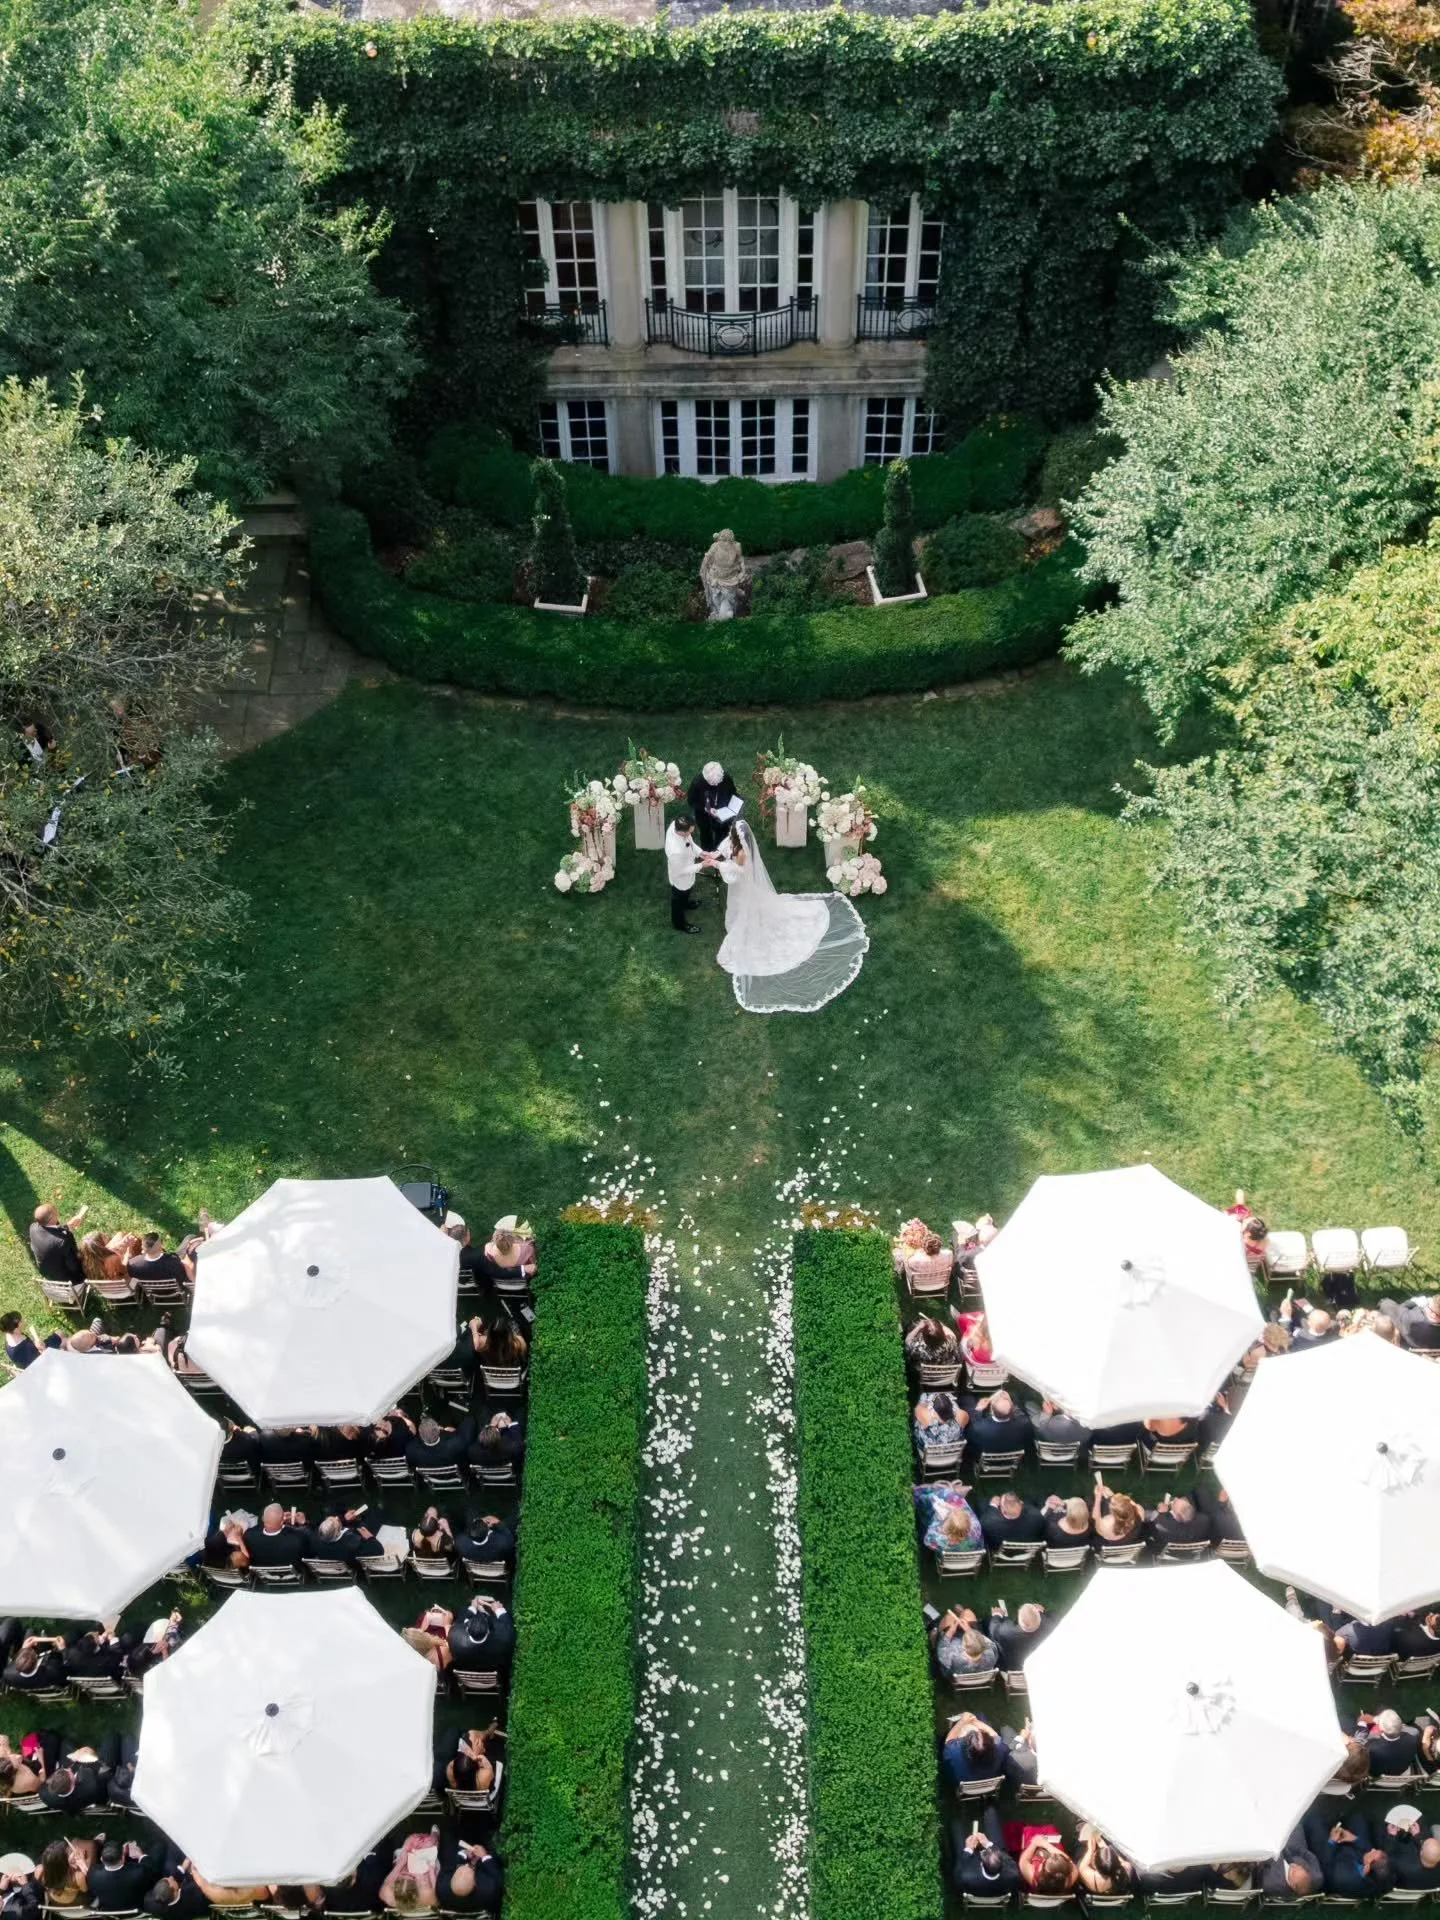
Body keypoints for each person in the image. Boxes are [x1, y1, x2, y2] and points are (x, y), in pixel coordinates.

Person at [712, 818, 867, 1013]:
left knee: (746, 910)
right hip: (740, 886)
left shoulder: (742, 853)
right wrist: (716, 855)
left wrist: (719, 866)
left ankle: (750, 927)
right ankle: (747, 923)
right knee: (742, 910)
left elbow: (737, 873)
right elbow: (725, 848)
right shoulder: (733, 843)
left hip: (743, 887)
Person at [1302, 1809, 1394, 1898]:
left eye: (1373, 1853)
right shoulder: (1380, 1874)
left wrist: (1332, 1841)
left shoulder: (1344, 1878)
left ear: (1367, 1868)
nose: (1373, 1849)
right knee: (1357, 1817)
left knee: (1314, 1820)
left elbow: (1325, 1863)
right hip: (1352, 1852)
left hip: (1329, 1857)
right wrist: (1353, 1838)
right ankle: (1342, 1816)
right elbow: (1369, 1853)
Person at [953, 1810, 1021, 1896]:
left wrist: (968, 1849)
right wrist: (988, 1844)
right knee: (992, 1815)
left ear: (981, 1863)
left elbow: (958, 1872)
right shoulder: (1012, 1875)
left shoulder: (966, 1876)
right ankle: (989, 1808)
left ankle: (955, 1818)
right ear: (1002, 1864)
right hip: (997, 1891)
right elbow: (1010, 1862)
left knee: (956, 1829)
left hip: (975, 1884)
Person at [90, 1839, 165, 1912]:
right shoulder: (138, 1872)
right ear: (123, 1858)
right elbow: (151, 1869)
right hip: (137, 1905)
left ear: (102, 1859)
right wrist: (141, 1855)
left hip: (111, 1909)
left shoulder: (93, 1874)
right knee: (158, 1848)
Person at [665, 814, 707, 936]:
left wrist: (701, 852)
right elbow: (681, 871)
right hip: (680, 877)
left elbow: (690, 842)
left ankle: (686, 903)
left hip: (687, 864)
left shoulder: (675, 825)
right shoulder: (675, 851)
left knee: (687, 892)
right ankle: (679, 924)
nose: (690, 834)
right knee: (679, 896)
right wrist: (702, 865)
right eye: (689, 832)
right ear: (681, 832)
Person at [379, 1831, 442, 1913]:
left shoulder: (386, 1894)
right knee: (429, 1844)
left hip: (407, 1869)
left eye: (403, 1876)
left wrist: (403, 1861)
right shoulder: (428, 1895)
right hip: (426, 1874)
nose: (407, 1873)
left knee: (411, 1843)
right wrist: (430, 1868)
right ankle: (435, 1836)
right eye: (410, 1877)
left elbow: (389, 1880)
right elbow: (433, 1883)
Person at [941, 1712, 1008, 1787]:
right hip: (988, 1782)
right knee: (981, 1716)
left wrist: (962, 1721)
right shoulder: (1000, 1748)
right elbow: (994, 1735)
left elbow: (948, 1741)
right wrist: (975, 1721)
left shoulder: (954, 1752)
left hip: (961, 1781)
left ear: (968, 1749)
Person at [1380, 1807, 1440, 1890]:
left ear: (1421, 1852)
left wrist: (1391, 1835)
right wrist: (1417, 1836)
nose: (1422, 1841)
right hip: (1424, 1886)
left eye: (1423, 1843)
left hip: (1404, 1884)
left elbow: (1388, 1855)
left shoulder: (1401, 1865)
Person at [686, 761, 740, 853]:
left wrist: (733, 806)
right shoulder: (697, 782)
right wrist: (706, 808)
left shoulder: (726, 778)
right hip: (703, 814)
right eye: (712, 783)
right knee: (705, 832)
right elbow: (691, 800)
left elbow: (732, 793)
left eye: (717, 782)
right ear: (705, 778)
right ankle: (707, 852)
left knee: (723, 831)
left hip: (722, 812)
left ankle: (721, 851)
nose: (715, 785)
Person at [914, 1481, 982, 1553]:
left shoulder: (936, 1539)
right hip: (968, 1556)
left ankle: (919, 1495)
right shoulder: (976, 1528)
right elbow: (965, 1511)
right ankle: (947, 1490)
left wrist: (938, 1519)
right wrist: (949, 1507)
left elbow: (927, 1540)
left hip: (948, 1552)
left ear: (947, 1527)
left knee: (942, 1495)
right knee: (949, 1494)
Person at [28, 1203, 86, 1285]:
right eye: (56, 1213)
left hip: (47, 1273)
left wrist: (67, 1226)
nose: (57, 1213)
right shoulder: (62, 1242)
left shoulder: (33, 1227)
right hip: (67, 1280)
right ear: (52, 1219)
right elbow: (74, 1265)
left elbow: (51, 1232)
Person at [436, 1841, 501, 1915]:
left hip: (458, 1908)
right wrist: (484, 1855)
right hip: (480, 1906)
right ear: (475, 1883)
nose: (467, 1864)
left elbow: (449, 1867)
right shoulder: (489, 1890)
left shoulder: (441, 1887)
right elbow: (494, 1872)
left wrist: (464, 1854)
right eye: (470, 1868)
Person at [1258, 1827, 1323, 1900]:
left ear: (1292, 1885)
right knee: (1294, 1823)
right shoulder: (1317, 1878)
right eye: (1300, 1867)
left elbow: (1259, 1867)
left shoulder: (1271, 1884)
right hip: (1294, 1844)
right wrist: (1294, 1848)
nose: (1295, 1866)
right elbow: (1311, 1857)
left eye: (1293, 1872)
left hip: (1268, 1846)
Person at [932, 1609, 999, 1678]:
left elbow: (942, 1647)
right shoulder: (990, 1655)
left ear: (963, 1647)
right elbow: (988, 1643)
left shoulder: (954, 1659)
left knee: (948, 1617)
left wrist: (951, 1630)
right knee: (967, 1612)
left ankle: (935, 1627)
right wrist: (969, 1630)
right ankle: (961, 1612)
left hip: (951, 1674)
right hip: (979, 1675)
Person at [966, 1390, 1032, 1459]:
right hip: (1011, 1455)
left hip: (986, 1454)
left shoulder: (978, 1428)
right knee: (1014, 1395)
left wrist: (978, 1409)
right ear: (1012, 1410)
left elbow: (969, 1437)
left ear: (991, 1410)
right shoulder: (1024, 1424)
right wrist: (1010, 1401)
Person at [987, 1599, 1049, 1670]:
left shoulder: (1005, 1632)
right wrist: (1039, 1613)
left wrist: (997, 1615)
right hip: (1038, 1667)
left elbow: (993, 1629)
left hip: (1011, 1667)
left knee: (987, 1622)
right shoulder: (1052, 1626)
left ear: (1020, 1620)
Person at [242, 1504, 309, 1568]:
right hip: (291, 1578)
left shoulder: (249, 1537)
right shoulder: (297, 1539)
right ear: (282, 1522)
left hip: (264, 1577)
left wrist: (276, 1519)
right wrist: (304, 1523)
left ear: (262, 1518)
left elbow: (256, 1529)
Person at [1076, 1824, 1134, 1896]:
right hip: (1114, 1896)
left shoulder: (1089, 1876)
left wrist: (1091, 1850)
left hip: (1093, 1891)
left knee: (1080, 1849)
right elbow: (1119, 1860)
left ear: (1095, 1864)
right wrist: (1105, 1847)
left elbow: (1082, 1865)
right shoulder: (1125, 1870)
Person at [1359, 1707, 1422, 1774]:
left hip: (1377, 1775)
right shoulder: (1414, 1735)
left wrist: (1363, 1724)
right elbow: (1406, 1728)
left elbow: (1360, 1743)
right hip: (1402, 1770)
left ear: (1380, 1729)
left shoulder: (1371, 1747)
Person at [37, 1839, 95, 1909]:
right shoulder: (78, 1876)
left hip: (55, 1903)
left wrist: (69, 1860)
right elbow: (85, 1890)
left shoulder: (39, 1870)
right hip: (75, 1905)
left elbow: (56, 1869)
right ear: (64, 1862)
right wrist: (82, 1861)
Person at [306, 1512, 385, 1563]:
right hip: (350, 1557)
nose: (337, 1517)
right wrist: (370, 1537)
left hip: (337, 1554)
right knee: (374, 1516)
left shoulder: (315, 1541)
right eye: (336, 1521)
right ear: (337, 1532)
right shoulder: (354, 1543)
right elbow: (379, 1551)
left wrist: (344, 1520)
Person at [406, 1413, 475, 1471]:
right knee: (469, 1420)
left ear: (420, 1435)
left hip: (432, 1478)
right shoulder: (455, 1444)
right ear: (438, 1431)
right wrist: (451, 1431)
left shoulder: (412, 1450)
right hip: (457, 1473)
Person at [979, 1490, 1046, 1550]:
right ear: (1021, 1503)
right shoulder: (1037, 1517)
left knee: (982, 1503)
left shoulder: (988, 1522)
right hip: (1025, 1551)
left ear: (1002, 1510)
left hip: (1000, 1551)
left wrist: (993, 1504)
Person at [125, 1231, 194, 1289]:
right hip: (173, 1291)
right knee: (190, 1237)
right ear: (161, 1245)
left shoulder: (134, 1264)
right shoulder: (173, 1262)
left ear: (142, 1247)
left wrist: (129, 1247)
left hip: (153, 1292)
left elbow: (129, 1269)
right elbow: (182, 1277)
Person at [1017, 1830, 1078, 1894]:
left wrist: (1035, 1843)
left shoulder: (1033, 1878)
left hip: (1037, 1848)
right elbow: (1068, 1860)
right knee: (1052, 1831)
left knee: (1029, 1831)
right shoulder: (1070, 1880)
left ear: (1042, 1865)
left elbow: (1024, 1860)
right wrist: (1047, 1845)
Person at [913, 1392, 967, 1460]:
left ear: (936, 1413)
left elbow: (919, 1435)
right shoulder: (960, 1415)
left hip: (931, 1457)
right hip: (952, 1454)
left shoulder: (928, 1424)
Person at [1091, 1480, 1144, 1546]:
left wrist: (1098, 1497)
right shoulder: (1139, 1512)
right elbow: (1131, 1504)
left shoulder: (1105, 1526)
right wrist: (1112, 1495)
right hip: (1127, 1542)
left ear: (1115, 1514)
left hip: (1109, 1546)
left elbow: (1095, 1517)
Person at [1028, 1399, 1092, 1451]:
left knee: (1029, 1405)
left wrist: (1046, 1414)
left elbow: (1041, 1431)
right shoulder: (1086, 1429)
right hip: (1073, 1454)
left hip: (1051, 1453)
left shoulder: (1049, 1425)